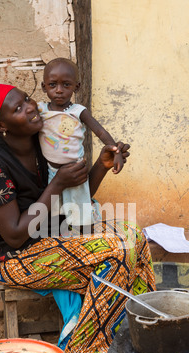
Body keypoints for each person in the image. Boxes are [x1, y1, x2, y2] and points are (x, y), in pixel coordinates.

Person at [0, 82, 156, 353]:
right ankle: (83, 351)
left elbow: (74, 203)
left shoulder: (42, 142)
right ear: (1, 126)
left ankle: (139, 333)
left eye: (27, 98)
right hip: (14, 259)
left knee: (134, 235)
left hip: (56, 235)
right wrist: (56, 186)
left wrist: (101, 165)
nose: (30, 106)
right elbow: (14, 235)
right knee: (116, 253)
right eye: (18, 108)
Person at [38, 58, 124, 228]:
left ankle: (82, 240)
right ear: (44, 86)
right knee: (54, 213)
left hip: (74, 170)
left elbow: (100, 131)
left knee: (80, 214)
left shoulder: (78, 111)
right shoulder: (40, 110)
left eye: (66, 85)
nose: (59, 90)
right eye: (53, 85)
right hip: (49, 170)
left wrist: (116, 151)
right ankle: (60, 243)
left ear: (76, 87)